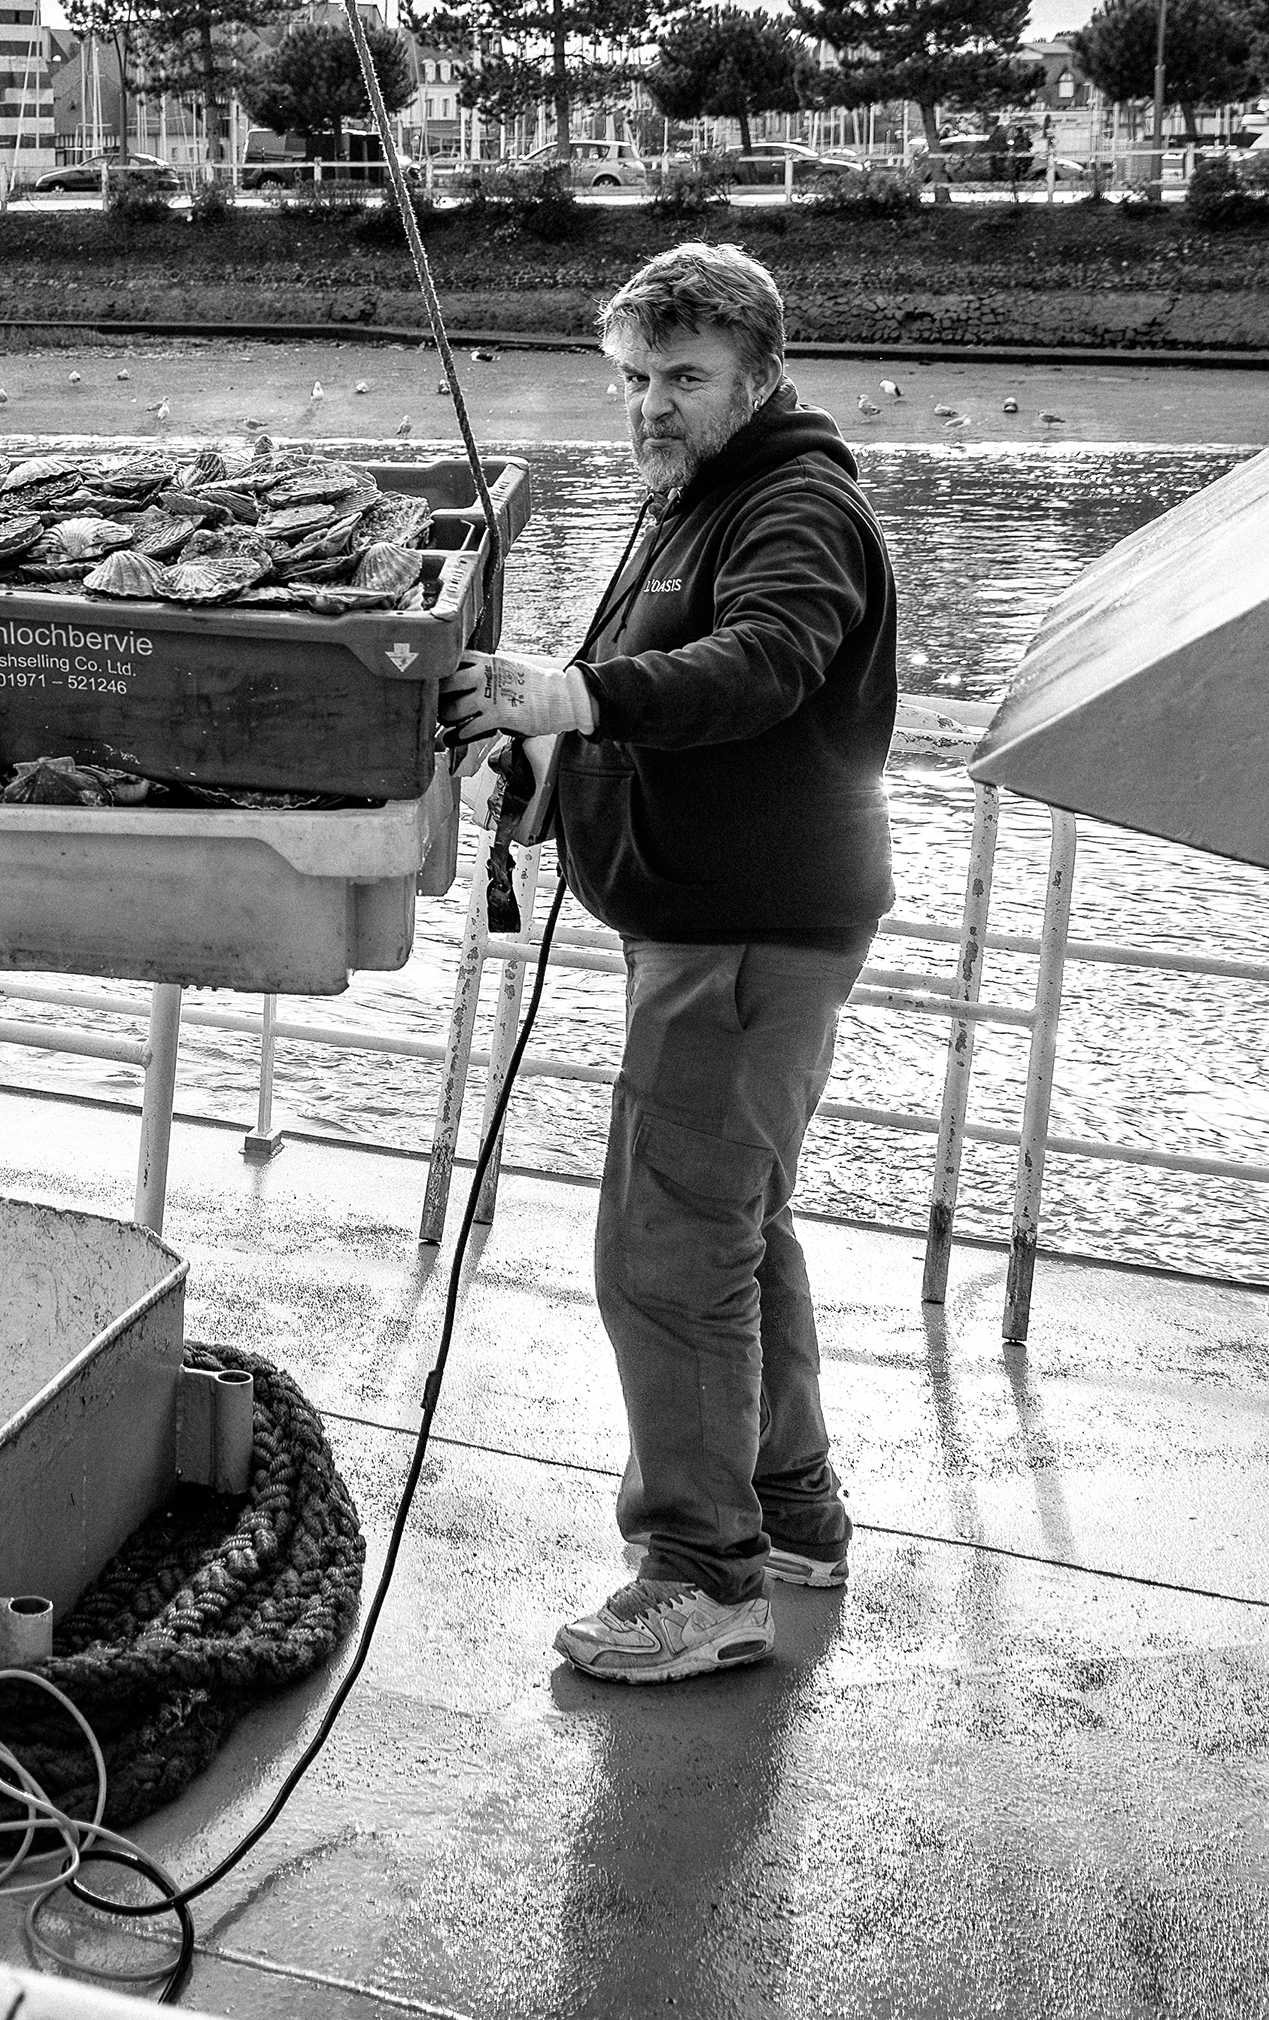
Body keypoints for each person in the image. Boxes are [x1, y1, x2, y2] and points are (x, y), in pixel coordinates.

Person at [442, 241, 899, 1686]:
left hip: (751, 936)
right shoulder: (689, 495)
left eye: (684, 378)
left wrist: (574, 690)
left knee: (665, 1245)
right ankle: (791, 1511)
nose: (652, 404)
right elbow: (640, 691)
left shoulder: (796, 503)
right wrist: (545, 759)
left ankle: (703, 1575)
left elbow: (767, 661)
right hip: (705, 922)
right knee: (736, 1227)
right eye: (635, 377)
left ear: (759, 376)